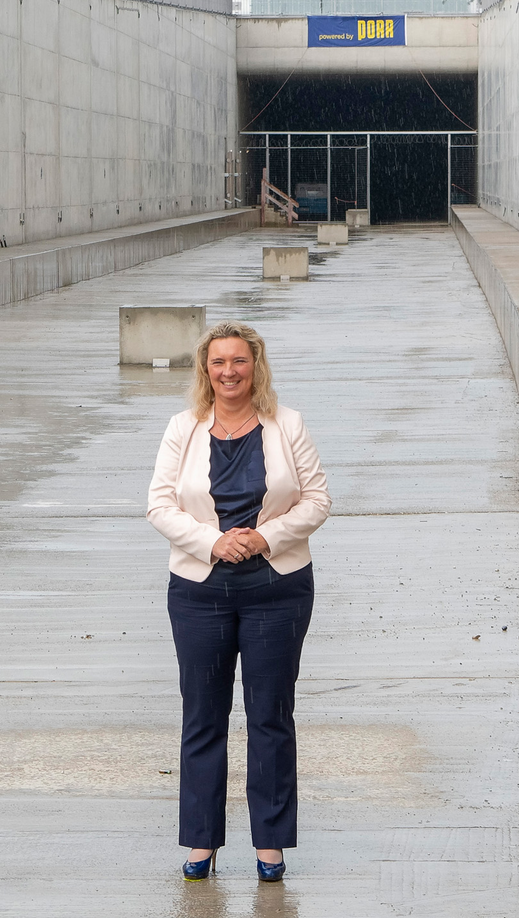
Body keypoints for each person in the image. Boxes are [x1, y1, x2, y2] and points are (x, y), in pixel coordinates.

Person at [145, 320, 329, 884]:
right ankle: (201, 842)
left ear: (256, 367)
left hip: (277, 588)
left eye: (239, 362)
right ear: (206, 369)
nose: (229, 372)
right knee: (203, 718)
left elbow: (318, 499)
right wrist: (213, 541)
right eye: (219, 362)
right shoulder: (183, 428)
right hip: (200, 592)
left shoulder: (287, 425)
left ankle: (270, 844)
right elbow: (159, 505)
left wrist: (265, 537)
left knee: (271, 716)